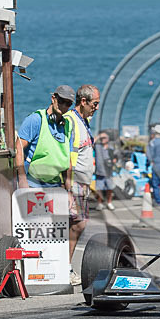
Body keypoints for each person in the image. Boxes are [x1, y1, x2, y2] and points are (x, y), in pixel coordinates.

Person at [65, 84, 100, 285]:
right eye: (94, 104)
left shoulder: (82, 121)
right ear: (84, 101)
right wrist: (69, 186)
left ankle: (65, 265)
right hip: (75, 182)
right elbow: (68, 155)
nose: (96, 107)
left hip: (82, 183)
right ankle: (65, 267)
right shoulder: (72, 121)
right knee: (78, 224)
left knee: (77, 224)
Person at [93, 132, 117, 211]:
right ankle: (100, 204)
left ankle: (109, 203)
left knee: (110, 188)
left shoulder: (111, 148)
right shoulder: (98, 146)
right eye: (101, 138)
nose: (102, 139)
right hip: (99, 172)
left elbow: (115, 157)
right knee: (99, 188)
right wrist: (99, 136)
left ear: (108, 139)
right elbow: (91, 143)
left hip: (108, 172)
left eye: (104, 138)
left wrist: (114, 160)